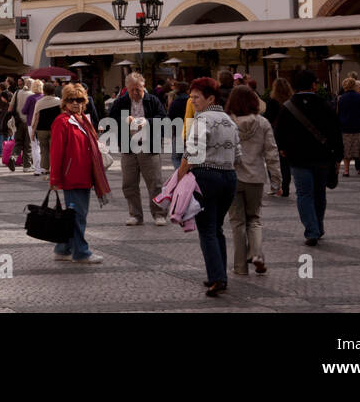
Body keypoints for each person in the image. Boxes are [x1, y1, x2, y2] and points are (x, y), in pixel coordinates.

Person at [176, 77, 240, 297]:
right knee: (217, 228)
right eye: (191, 97)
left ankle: (217, 278)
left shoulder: (202, 119)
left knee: (207, 230)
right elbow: (238, 155)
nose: (192, 101)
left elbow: (191, 152)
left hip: (206, 177)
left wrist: (178, 179)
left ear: (210, 98)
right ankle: (219, 274)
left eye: (196, 97)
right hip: (229, 177)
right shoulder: (230, 121)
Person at [274, 69, 343, 247]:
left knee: (304, 194)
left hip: (298, 159)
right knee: (320, 193)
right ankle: (318, 227)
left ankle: (311, 230)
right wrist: (338, 155)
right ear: (313, 85)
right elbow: (336, 131)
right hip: (322, 158)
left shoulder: (287, 107)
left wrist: (283, 149)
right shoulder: (324, 105)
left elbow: (279, 132)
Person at [48, 83, 111, 264]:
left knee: (75, 214)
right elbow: (57, 152)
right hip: (72, 176)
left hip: (85, 175)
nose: (75, 103)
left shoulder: (83, 119)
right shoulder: (62, 121)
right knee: (78, 215)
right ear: (64, 102)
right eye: (71, 100)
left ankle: (63, 248)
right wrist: (55, 178)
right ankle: (81, 252)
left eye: (79, 100)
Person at [226, 84, 279, 275]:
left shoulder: (227, 123)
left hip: (233, 177)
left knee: (237, 222)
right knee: (254, 218)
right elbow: (272, 152)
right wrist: (276, 179)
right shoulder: (263, 123)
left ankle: (240, 267)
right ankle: (256, 253)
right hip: (256, 177)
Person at [107, 72, 168, 226]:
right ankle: (135, 214)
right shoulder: (120, 102)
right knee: (129, 183)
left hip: (149, 145)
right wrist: (123, 121)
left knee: (155, 183)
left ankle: (159, 214)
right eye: (132, 89)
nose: (135, 92)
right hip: (129, 147)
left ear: (144, 87)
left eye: (138, 89)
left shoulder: (152, 100)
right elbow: (110, 122)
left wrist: (147, 122)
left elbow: (164, 118)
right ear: (127, 89)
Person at [336, 78, 360, 176]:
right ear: (354, 86)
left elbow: (338, 112)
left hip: (346, 128)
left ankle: (346, 171)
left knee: (347, 151)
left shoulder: (341, 99)